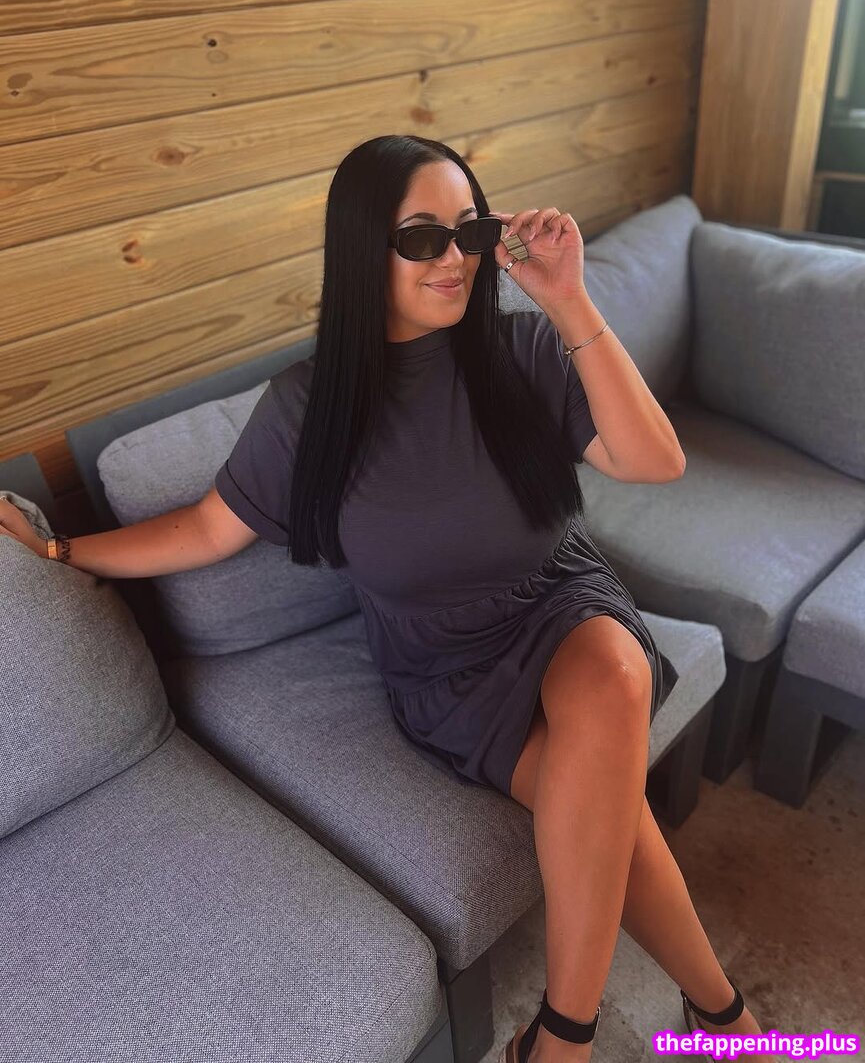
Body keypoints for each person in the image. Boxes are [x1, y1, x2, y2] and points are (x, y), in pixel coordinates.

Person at [0, 134, 776, 1063]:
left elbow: (655, 461)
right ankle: (721, 1021)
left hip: (558, 601)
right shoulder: (310, 406)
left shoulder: (521, 347)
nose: (453, 259)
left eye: (469, 232)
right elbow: (206, 529)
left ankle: (564, 1038)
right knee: (609, 817)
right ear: (363, 249)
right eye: (420, 238)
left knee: (614, 669)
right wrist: (60, 547)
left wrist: (568, 300)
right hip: (447, 668)